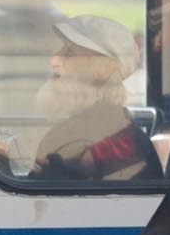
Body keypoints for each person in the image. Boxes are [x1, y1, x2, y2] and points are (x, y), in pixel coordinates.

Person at [24, 14, 158, 182]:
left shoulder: (105, 138)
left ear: (106, 69)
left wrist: (0, 160)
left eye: (70, 52)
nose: (54, 60)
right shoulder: (109, 127)